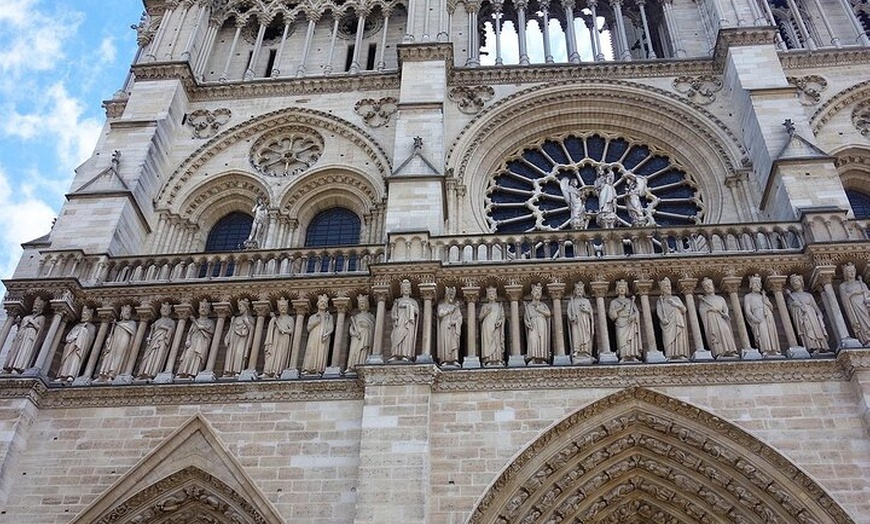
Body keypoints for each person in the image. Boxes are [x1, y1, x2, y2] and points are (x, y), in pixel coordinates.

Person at [787, 274, 829, 353]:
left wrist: (819, 315)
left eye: (796, 281)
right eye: (792, 283)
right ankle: (810, 346)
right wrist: (795, 307)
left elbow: (815, 307)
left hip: (812, 315)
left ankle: (822, 346)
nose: (794, 283)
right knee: (806, 330)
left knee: (816, 330)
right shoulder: (791, 297)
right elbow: (790, 309)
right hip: (802, 316)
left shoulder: (808, 295)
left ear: (801, 282)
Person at [697, 277, 738, 358]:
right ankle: (719, 352)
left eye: (709, 285)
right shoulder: (704, 301)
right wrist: (709, 310)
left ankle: (730, 351)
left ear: (713, 286)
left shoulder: (720, 298)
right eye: (706, 286)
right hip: (712, 320)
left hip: (721, 318)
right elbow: (702, 312)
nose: (708, 287)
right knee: (716, 334)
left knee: (725, 331)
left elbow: (725, 309)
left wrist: (724, 313)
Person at [3, 297, 46, 373]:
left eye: (38, 305)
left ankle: (19, 367)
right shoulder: (26, 317)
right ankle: (11, 366)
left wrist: (32, 322)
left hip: (31, 336)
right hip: (22, 335)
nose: (35, 307)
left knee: (25, 351)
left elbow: (40, 329)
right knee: (17, 350)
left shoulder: (41, 318)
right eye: (35, 305)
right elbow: (21, 326)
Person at [56, 306, 97, 381]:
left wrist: (82, 332)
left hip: (80, 347)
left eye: (85, 314)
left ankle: (71, 375)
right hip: (71, 344)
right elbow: (68, 336)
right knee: (66, 359)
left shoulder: (91, 327)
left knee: (76, 359)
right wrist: (73, 337)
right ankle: (62, 376)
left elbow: (89, 341)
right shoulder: (77, 326)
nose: (83, 316)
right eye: (83, 314)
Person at [137, 302, 176, 379]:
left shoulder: (171, 321)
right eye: (163, 309)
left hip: (162, 341)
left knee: (158, 355)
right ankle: (144, 372)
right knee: (149, 355)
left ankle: (154, 372)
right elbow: (152, 331)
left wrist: (164, 327)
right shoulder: (157, 321)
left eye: (167, 309)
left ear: (170, 311)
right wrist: (149, 337)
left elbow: (171, 331)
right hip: (154, 339)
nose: (165, 310)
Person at [98, 304, 137, 381]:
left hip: (124, 340)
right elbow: (112, 334)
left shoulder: (132, 323)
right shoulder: (116, 324)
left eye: (128, 312)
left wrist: (118, 324)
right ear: (122, 313)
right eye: (126, 311)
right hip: (115, 341)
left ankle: (113, 375)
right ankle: (103, 374)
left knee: (119, 356)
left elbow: (133, 333)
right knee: (110, 356)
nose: (127, 313)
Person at [743, 274, 779, 355]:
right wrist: (753, 318)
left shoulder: (763, 296)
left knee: (771, 332)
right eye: (755, 283)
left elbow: (771, 307)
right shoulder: (748, 297)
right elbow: (747, 310)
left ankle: (774, 349)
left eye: (759, 284)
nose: (757, 285)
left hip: (768, 316)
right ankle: (765, 349)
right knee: (763, 332)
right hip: (758, 315)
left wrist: (766, 301)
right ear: (751, 285)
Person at [177, 301, 214, 378]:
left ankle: (193, 373)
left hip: (203, 342)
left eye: (205, 308)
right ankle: (183, 373)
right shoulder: (195, 322)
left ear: (209, 311)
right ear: (198, 310)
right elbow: (190, 333)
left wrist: (200, 326)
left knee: (198, 357)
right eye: (202, 307)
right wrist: (188, 340)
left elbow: (211, 332)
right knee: (188, 355)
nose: (203, 309)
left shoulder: (210, 322)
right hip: (193, 341)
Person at [656, 277, 690, 360]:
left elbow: (684, 309)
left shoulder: (676, 299)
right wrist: (662, 319)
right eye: (666, 287)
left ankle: (680, 354)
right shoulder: (660, 301)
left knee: (679, 337)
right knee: (668, 339)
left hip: (677, 321)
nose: (669, 288)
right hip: (667, 324)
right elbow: (659, 312)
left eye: (669, 286)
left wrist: (675, 304)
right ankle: (669, 354)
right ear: (663, 289)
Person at [609, 280, 642, 362]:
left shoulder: (630, 301)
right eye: (620, 288)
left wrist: (634, 316)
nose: (622, 289)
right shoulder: (614, 302)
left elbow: (636, 312)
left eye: (623, 288)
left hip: (630, 322)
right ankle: (623, 356)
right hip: (620, 322)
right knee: (622, 339)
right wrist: (620, 308)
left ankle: (632, 355)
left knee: (631, 339)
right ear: (617, 290)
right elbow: (612, 315)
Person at [839, 262, 870, 344]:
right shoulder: (843, 286)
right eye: (849, 271)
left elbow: (867, 294)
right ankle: (865, 339)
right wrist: (855, 293)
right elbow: (844, 299)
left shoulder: (861, 283)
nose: (852, 273)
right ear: (845, 273)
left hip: (864, 304)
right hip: (854, 306)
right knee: (862, 323)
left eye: (853, 271)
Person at [262, 297, 294, 378]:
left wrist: (284, 330)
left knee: (280, 354)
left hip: (284, 339)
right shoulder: (277, 319)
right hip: (275, 339)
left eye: (284, 306)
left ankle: (277, 371)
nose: (283, 308)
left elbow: (291, 330)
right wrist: (272, 321)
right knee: (272, 353)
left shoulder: (290, 319)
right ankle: (267, 371)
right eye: (281, 306)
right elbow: (271, 329)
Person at [302, 295, 334, 375]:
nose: (322, 304)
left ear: (326, 305)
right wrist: (316, 322)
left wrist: (327, 334)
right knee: (311, 350)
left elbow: (331, 327)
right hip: (313, 337)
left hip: (323, 339)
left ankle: (319, 369)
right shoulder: (313, 317)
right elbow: (308, 328)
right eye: (321, 302)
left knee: (321, 351)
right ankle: (307, 368)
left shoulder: (329, 317)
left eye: (324, 303)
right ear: (318, 304)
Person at [390, 279, 419, 362]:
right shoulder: (398, 301)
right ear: (401, 289)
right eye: (404, 287)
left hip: (409, 323)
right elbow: (393, 312)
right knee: (396, 335)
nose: (406, 289)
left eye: (407, 287)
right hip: (399, 322)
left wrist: (409, 306)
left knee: (407, 337)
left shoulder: (413, 301)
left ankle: (406, 354)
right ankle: (395, 354)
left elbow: (417, 312)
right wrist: (394, 316)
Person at [224, 299, 254, 376]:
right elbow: (231, 329)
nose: (239, 308)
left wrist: (247, 322)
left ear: (246, 307)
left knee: (239, 353)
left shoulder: (251, 319)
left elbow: (251, 330)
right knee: (231, 354)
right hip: (234, 339)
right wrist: (227, 337)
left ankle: (238, 371)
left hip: (243, 340)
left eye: (241, 306)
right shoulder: (236, 319)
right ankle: (228, 371)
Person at [346, 295, 375, 372]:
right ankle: (352, 366)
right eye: (360, 303)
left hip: (366, 335)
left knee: (363, 350)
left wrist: (367, 326)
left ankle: (362, 363)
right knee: (354, 350)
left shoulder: (370, 316)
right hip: (357, 337)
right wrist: (354, 333)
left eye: (363, 303)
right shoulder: (356, 317)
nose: (362, 304)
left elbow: (374, 327)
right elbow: (351, 328)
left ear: (367, 305)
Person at [524, 283, 551, 364]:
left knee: (542, 339)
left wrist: (539, 310)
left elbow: (548, 314)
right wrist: (527, 323)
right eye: (536, 291)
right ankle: (533, 357)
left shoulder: (543, 305)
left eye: (539, 291)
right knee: (533, 340)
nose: (538, 293)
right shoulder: (528, 306)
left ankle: (542, 358)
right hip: (533, 325)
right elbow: (526, 318)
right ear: (532, 293)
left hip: (542, 324)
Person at [566, 282, 594, 361]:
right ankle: (577, 350)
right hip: (576, 323)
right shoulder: (572, 302)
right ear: (575, 291)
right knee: (576, 335)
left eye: (581, 289)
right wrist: (571, 317)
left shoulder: (586, 301)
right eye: (578, 289)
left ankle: (585, 351)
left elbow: (591, 312)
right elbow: (568, 311)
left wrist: (586, 311)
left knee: (585, 335)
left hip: (585, 321)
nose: (579, 291)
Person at [479, 287, 505, 366]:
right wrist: (486, 313)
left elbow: (502, 316)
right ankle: (488, 359)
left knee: (496, 341)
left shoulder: (499, 306)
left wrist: (500, 321)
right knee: (488, 342)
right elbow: (480, 318)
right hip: (487, 326)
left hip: (496, 327)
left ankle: (497, 358)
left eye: (493, 294)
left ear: (496, 295)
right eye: (489, 294)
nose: (491, 295)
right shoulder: (485, 306)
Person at [437, 287, 463, 366]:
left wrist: (455, 322)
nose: (451, 297)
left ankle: (454, 359)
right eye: (450, 295)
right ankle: (445, 359)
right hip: (444, 326)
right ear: (446, 295)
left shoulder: (456, 308)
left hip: (453, 327)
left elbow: (460, 318)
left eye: (452, 296)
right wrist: (450, 310)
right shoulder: (441, 305)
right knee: (445, 342)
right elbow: (440, 314)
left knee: (454, 342)